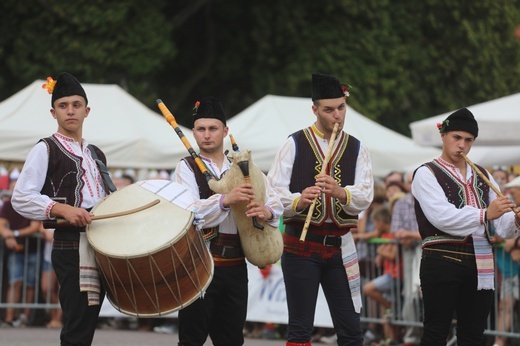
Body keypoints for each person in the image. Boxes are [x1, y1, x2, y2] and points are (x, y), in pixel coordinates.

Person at [268, 73, 374, 346]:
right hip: (301, 245)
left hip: (340, 246)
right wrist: (298, 200)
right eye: (328, 110)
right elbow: (272, 192)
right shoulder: (294, 143)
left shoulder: (357, 148)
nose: (337, 115)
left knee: (351, 331)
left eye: (341, 107)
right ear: (314, 110)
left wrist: (341, 192)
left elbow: (366, 195)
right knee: (301, 330)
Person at [173, 96, 283, 346]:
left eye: (213, 129)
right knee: (191, 338)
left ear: (225, 131)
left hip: (235, 264)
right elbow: (189, 212)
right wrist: (225, 200)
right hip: (200, 264)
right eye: (201, 129)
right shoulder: (187, 167)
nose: (207, 135)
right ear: (194, 133)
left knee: (231, 339)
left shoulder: (244, 166)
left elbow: (276, 200)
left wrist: (266, 211)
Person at [11, 72, 110, 345]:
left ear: (86, 111)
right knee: (77, 325)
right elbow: (21, 196)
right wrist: (60, 209)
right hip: (70, 245)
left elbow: (103, 196)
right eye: (63, 106)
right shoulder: (46, 149)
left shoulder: (95, 154)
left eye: (76, 105)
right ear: (53, 112)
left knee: (87, 323)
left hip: (101, 244)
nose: (70, 111)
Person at [411, 108, 520, 346]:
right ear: (443, 136)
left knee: (473, 336)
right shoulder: (425, 173)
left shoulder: (483, 174)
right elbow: (442, 217)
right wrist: (484, 214)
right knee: (436, 333)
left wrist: (515, 221)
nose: (462, 145)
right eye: (456, 137)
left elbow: (501, 227)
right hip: (442, 260)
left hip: (481, 264)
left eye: (468, 140)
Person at [0, 176, 41, 328]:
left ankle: (25, 318)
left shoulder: (32, 204)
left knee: (30, 284)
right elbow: (2, 225)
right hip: (15, 250)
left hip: (32, 249)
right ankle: (9, 318)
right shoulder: (7, 204)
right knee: (15, 282)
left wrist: (13, 234)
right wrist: (7, 235)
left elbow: (35, 227)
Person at [362, 206, 401, 345]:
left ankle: (391, 305)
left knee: (368, 288)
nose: (376, 225)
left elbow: (391, 254)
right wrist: (380, 254)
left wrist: (380, 251)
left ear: (382, 221)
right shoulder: (384, 235)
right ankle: (390, 340)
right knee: (387, 315)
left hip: (395, 275)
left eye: (376, 222)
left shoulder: (394, 234)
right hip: (388, 273)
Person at [391, 172, 422, 346]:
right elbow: (396, 231)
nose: (412, 185)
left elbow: (431, 232)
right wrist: (407, 237)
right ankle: (411, 336)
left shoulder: (430, 201)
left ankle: (438, 335)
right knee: (410, 295)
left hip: (428, 250)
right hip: (409, 252)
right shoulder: (401, 204)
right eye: (409, 182)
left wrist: (409, 234)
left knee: (429, 293)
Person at [492, 177, 520, 346]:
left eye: (514, 190)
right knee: (506, 305)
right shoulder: (509, 209)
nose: (511, 194)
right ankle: (499, 342)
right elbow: (499, 234)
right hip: (509, 270)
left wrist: (515, 243)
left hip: (512, 269)